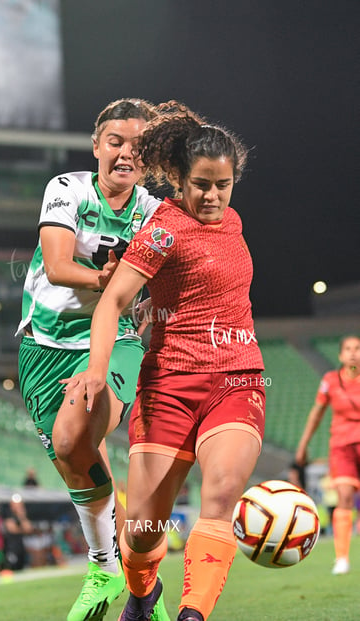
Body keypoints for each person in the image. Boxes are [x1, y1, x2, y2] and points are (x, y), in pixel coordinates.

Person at [62, 101, 265, 621]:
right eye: (201, 184)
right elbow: (112, 301)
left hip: (237, 379)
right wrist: (95, 369)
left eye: (223, 184)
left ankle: (192, 614)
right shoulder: (163, 229)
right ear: (179, 178)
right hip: (169, 384)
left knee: (219, 496)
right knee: (144, 535)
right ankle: (143, 593)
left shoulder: (235, 221)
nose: (213, 196)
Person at [16, 98, 170, 621]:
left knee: (72, 438)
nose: (126, 153)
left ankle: (102, 567)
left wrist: (146, 305)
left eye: (138, 146)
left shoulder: (154, 212)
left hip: (113, 339)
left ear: (149, 158)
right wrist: (108, 280)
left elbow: (166, 279)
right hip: (43, 346)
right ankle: (147, 593)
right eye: (116, 142)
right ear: (97, 146)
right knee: (86, 474)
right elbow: (58, 267)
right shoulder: (68, 189)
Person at [295, 335, 360, 575]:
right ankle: (342, 558)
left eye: (357, 349)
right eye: (348, 349)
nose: (353, 353)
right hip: (342, 446)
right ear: (341, 355)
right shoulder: (330, 381)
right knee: (344, 497)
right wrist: (303, 445)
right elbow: (316, 414)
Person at [3, 494, 34, 571]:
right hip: (11, 549)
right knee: (11, 568)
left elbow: (29, 529)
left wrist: (22, 516)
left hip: (21, 549)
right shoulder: (8, 515)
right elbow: (12, 529)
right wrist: (23, 530)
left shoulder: (22, 517)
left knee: (21, 569)